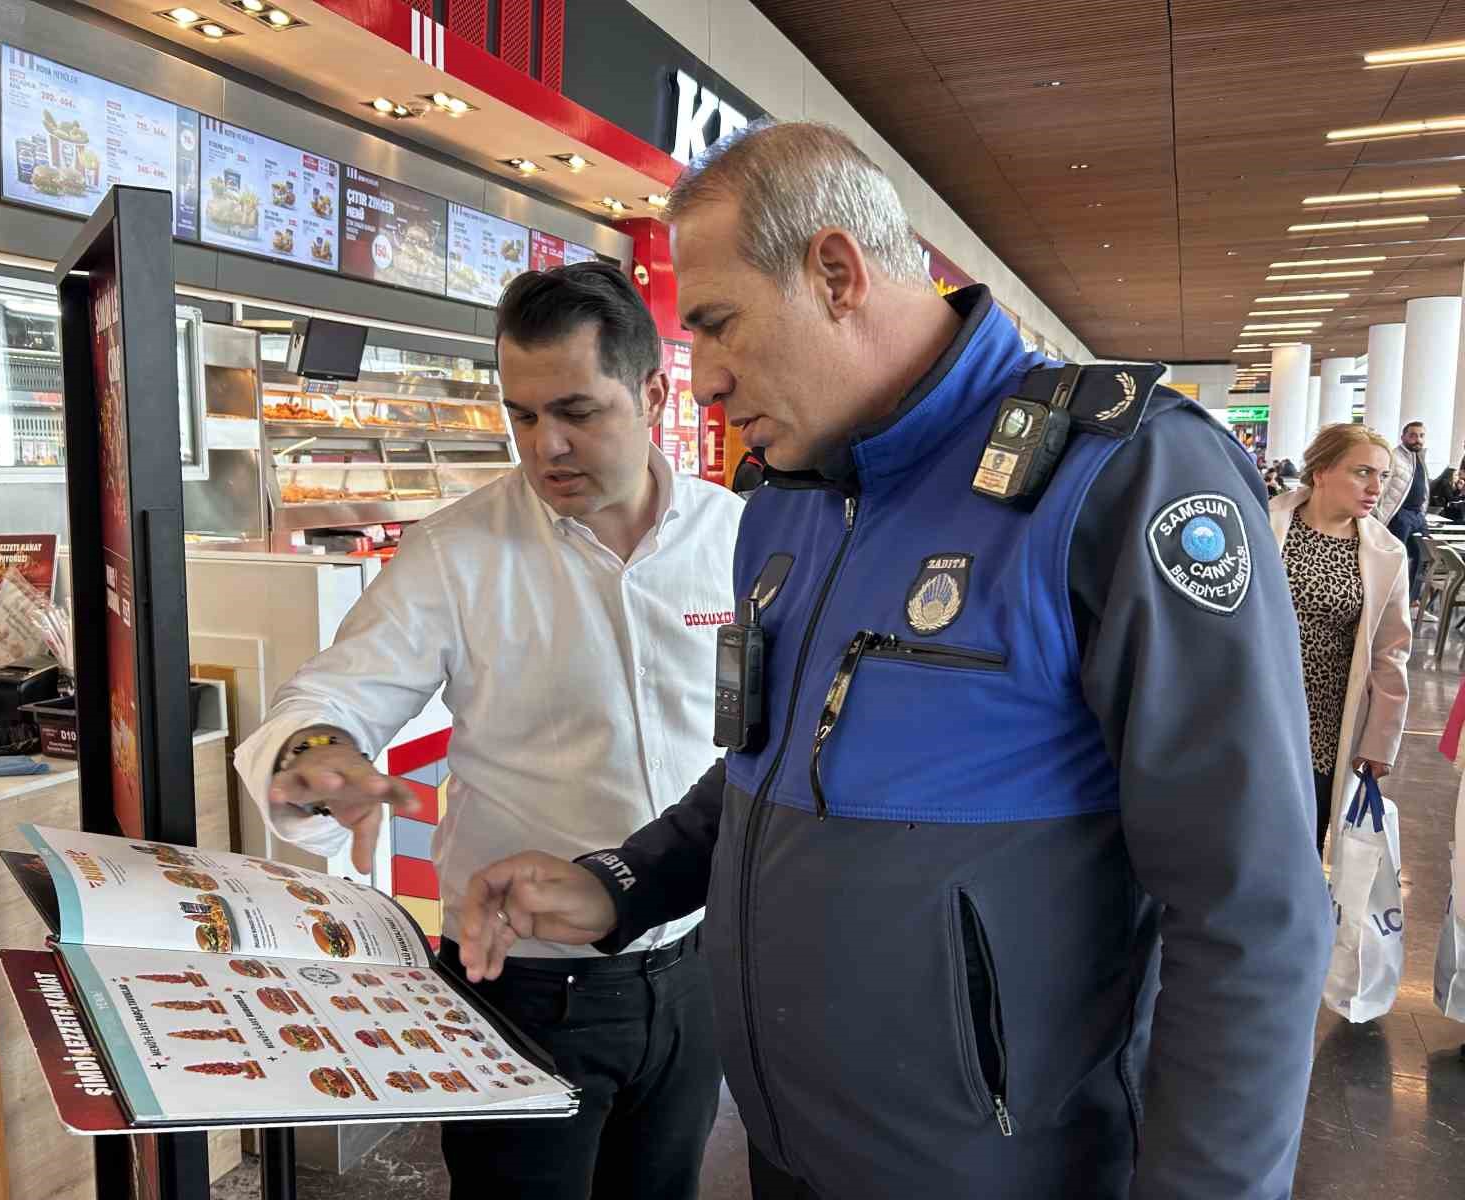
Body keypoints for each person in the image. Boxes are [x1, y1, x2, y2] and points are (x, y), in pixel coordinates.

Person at [456, 120, 1333, 1199]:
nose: (707, 381)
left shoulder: (1118, 481)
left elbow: (1250, 911)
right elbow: (755, 771)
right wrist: (619, 887)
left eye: (720, 327)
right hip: (790, 1157)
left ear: (835, 272)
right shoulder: (784, 509)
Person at [232, 263, 742, 1200]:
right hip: (522, 987)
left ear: (653, 392)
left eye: (578, 411)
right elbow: (329, 698)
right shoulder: (454, 551)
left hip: (695, 968)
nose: (545, 446)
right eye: (521, 414)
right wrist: (315, 756)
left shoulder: (738, 539)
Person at [1271, 424, 1411, 855]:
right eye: (1362, 472)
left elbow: (1391, 654)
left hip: (1323, 731)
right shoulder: (1263, 523)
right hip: (1254, 714)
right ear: (1321, 472)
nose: (1375, 487)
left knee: (1299, 850)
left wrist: (1380, 742)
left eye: (1383, 477)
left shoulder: (1386, 554)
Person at [1374, 419, 1429, 602]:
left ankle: (1411, 600)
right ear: (1403, 437)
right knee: (1396, 559)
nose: (1417, 439)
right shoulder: (1394, 457)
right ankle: (1388, 599)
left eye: (1421, 436)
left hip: (1418, 516)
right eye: (1413, 435)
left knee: (1423, 557)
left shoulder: (1419, 457)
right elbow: (1383, 485)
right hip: (1399, 515)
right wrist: (1377, 514)